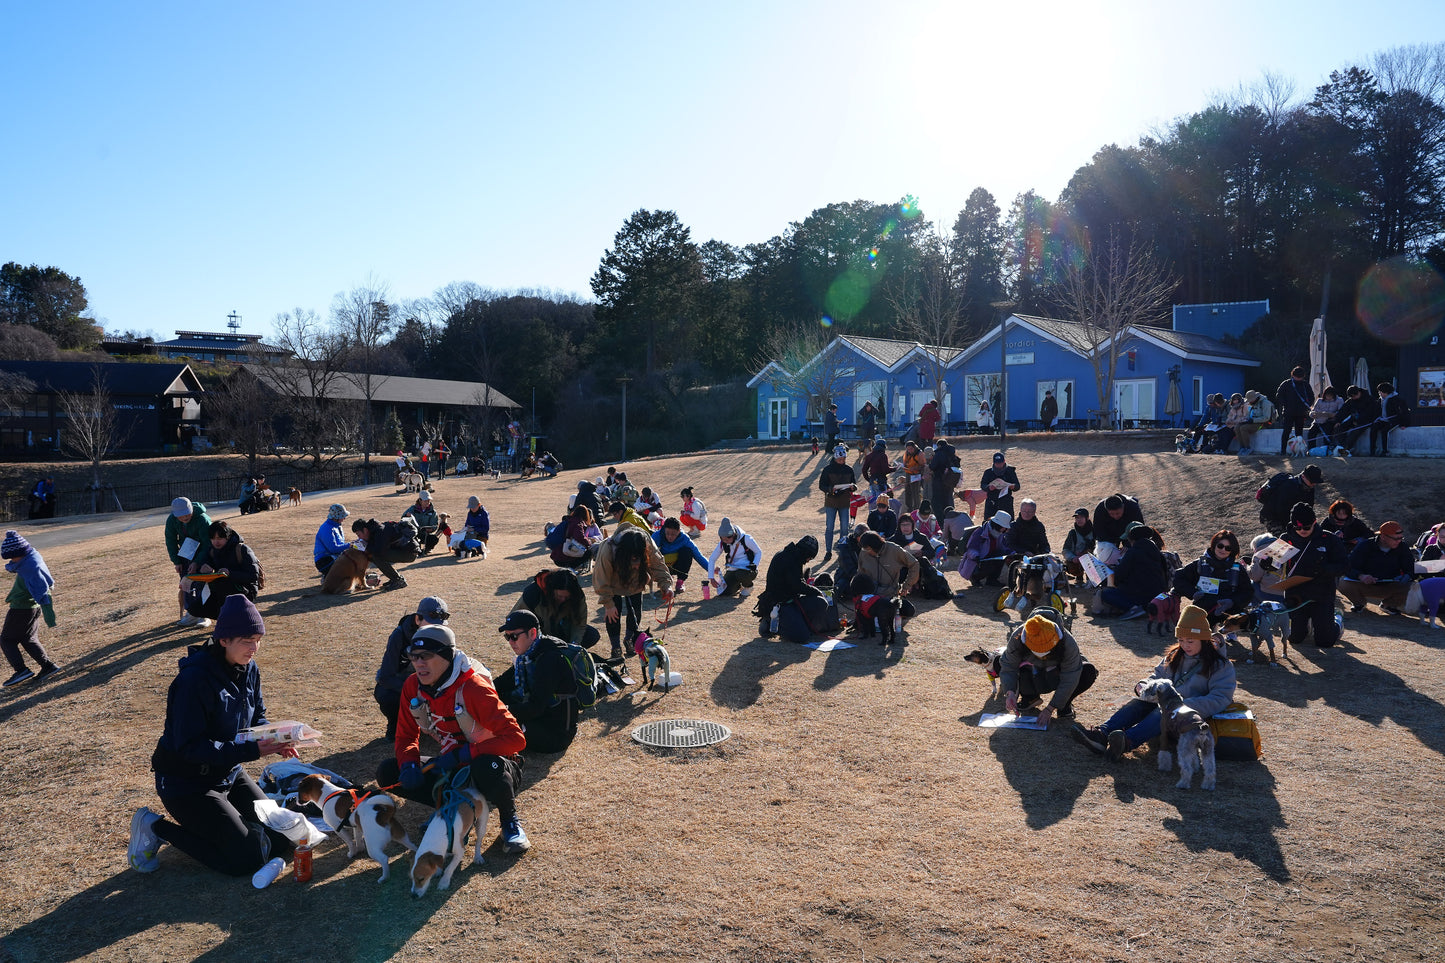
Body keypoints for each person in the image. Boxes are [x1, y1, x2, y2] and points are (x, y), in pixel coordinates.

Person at [128, 596, 300, 878]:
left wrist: (275, 738)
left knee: (284, 837)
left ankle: (233, 829)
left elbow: (256, 717)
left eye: (258, 639)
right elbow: (190, 747)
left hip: (229, 772)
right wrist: (255, 750)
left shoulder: (249, 669)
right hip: (187, 783)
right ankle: (154, 827)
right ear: (223, 640)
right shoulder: (193, 681)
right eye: (247, 640)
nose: (254, 648)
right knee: (246, 860)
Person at [376, 624, 530, 854]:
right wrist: (408, 762)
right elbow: (406, 735)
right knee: (389, 772)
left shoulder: (473, 688)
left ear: (447, 656)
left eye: (426, 656)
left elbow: (516, 739)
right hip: (452, 767)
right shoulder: (413, 686)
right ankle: (450, 807)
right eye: (414, 656)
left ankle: (510, 822)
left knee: (485, 765)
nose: (418, 663)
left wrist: (466, 753)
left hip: (496, 767)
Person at [1070, 603, 1236, 761]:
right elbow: (1156, 676)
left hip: (1190, 719)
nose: (1184, 645)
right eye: (1181, 640)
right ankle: (1101, 735)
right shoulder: (1174, 656)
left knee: (1165, 712)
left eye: (1190, 641)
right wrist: (1143, 685)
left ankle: (1126, 742)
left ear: (1204, 639)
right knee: (1137, 704)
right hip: (1162, 709)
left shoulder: (1220, 665)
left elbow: (1221, 698)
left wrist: (1184, 705)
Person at [493, 610, 580, 755]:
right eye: (507, 637)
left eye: (514, 636)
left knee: (496, 724)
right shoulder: (527, 656)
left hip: (555, 734)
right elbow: (500, 683)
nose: (510, 642)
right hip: (539, 719)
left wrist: (500, 711)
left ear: (533, 633)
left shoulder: (549, 660)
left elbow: (536, 707)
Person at [999, 610, 1097, 726]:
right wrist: (1010, 692)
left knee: (1087, 671)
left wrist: (1050, 708)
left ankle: (1064, 704)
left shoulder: (1068, 642)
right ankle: (1030, 698)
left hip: (1056, 675)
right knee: (1015, 665)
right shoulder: (1018, 637)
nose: (1042, 655)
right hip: (1033, 675)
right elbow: (1009, 666)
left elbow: (1070, 677)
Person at [594, 526, 674, 663]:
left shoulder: (646, 542)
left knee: (636, 611)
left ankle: (629, 639)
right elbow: (601, 578)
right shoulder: (608, 548)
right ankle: (616, 647)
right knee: (613, 614)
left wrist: (666, 586)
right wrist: (608, 603)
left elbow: (658, 564)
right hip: (614, 582)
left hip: (637, 581)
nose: (636, 564)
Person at [374, 596, 450, 741]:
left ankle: (442, 725)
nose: (436, 629)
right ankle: (395, 725)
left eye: (440, 625)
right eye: (430, 623)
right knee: (385, 694)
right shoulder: (399, 636)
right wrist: (415, 690)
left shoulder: (444, 635)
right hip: (409, 684)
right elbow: (385, 676)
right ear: (417, 619)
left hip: (435, 684)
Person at [1278, 502, 1347, 648]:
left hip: (1321, 592)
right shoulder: (1285, 538)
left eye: (1307, 527)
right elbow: (1274, 562)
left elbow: (1344, 566)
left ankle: (1337, 621)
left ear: (1314, 523)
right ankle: (1306, 626)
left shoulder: (1329, 539)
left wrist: (1324, 569)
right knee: (1295, 638)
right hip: (1295, 592)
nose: (1302, 530)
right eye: (1298, 527)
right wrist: (1266, 563)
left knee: (1325, 642)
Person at [0, 531, 60, 687]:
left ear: (20, 553)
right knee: (28, 639)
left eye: (12, 557)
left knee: (6, 640)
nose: (11, 560)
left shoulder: (30, 568)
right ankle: (48, 666)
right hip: (31, 607)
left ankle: (21, 670)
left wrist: (50, 616)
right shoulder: (32, 557)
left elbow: (42, 591)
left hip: (21, 608)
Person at [185, 521, 262, 620]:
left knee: (223, 590)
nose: (216, 542)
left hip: (244, 590)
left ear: (228, 537)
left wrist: (230, 574)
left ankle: (230, 621)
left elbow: (253, 576)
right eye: (212, 538)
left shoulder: (242, 549)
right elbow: (206, 569)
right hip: (220, 589)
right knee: (195, 609)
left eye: (219, 538)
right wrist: (204, 570)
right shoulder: (211, 551)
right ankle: (225, 620)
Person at [1171, 529, 1252, 622]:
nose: (1223, 550)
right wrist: (1193, 593)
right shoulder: (1200, 564)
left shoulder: (1237, 569)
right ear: (1214, 545)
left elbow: (1247, 592)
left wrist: (1232, 602)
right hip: (1202, 613)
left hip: (1228, 616)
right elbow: (1178, 578)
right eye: (1220, 546)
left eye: (1228, 548)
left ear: (1232, 550)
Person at [1339, 521, 1415, 615]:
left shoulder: (1402, 547)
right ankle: (1359, 603)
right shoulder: (1365, 545)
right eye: (1396, 539)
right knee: (1342, 582)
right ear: (1383, 537)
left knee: (1413, 586)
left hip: (1391, 586)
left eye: (1401, 538)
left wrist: (1406, 576)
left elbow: (1411, 568)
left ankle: (1389, 605)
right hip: (1365, 585)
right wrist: (1361, 576)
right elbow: (1347, 567)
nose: (1399, 541)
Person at [753, 535, 824, 636]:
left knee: (819, 603)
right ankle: (772, 624)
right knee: (802, 636)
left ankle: (798, 623)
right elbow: (797, 586)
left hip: (786, 599)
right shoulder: (791, 560)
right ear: (806, 553)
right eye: (810, 557)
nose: (808, 561)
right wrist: (816, 591)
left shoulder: (790, 555)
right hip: (781, 602)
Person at [515, 569, 601, 650]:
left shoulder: (577, 595)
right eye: (559, 596)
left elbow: (579, 624)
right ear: (551, 590)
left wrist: (574, 645)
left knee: (591, 635)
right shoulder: (533, 593)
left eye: (567, 597)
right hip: (537, 636)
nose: (563, 599)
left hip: (561, 629)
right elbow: (514, 622)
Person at [1099, 524, 1168, 619]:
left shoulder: (1133, 553)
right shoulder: (1158, 553)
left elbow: (1118, 576)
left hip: (1138, 595)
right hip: (1157, 597)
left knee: (1106, 593)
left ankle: (1135, 609)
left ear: (1132, 540)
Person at [166, 498, 214, 628]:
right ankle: (192, 613)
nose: (185, 517)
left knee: (202, 582)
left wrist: (198, 562)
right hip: (186, 553)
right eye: (181, 515)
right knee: (185, 582)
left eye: (187, 513)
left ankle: (205, 614)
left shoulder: (203, 519)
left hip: (204, 554)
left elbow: (209, 544)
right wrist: (176, 561)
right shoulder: (171, 520)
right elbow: (170, 540)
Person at [856, 532, 918, 622]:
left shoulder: (894, 549)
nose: (867, 552)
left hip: (890, 595)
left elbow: (914, 564)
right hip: (871, 597)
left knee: (909, 610)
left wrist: (907, 585)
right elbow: (860, 575)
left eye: (868, 549)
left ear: (875, 546)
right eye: (865, 549)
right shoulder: (864, 552)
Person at [818, 444, 857, 563]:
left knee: (844, 528)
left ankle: (842, 551)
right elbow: (821, 485)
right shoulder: (827, 470)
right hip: (831, 502)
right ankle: (828, 551)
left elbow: (854, 484)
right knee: (830, 527)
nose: (842, 461)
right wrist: (830, 489)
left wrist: (852, 487)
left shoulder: (849, 469)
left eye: (844, 459)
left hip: (844, 502)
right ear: (835, 458)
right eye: (840, 459)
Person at [652, 517, 712, 594]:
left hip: (677, 566)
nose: (670, 536)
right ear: (664, 530)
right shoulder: (657, 536)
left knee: (687, 551)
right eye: (667, 533)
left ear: (679, 531)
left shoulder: (684, 538)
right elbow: (646, 554)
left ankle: (680, 582)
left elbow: (698, 556)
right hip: (661, 567)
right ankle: (664, 580)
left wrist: (711, 570)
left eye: (673, 534)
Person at [1258, 464, 1322, 535]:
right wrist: (1292, 527)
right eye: (1312, 481)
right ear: (1303, 476)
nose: (1314, 484)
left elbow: (1309, 508)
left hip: (1287, 516)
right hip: (1272, 516)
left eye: (1315, 481)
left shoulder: (1309, 488)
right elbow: (1281, 510)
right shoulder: (1289, 486)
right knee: (1281, 539)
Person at [351, 517, 413, 590]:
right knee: (373, 556)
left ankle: (398, 580)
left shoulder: (380, 531)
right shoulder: (373, 531)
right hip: (402, 550)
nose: (359, 538)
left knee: (375, 556)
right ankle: (395, 578)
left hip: (409, 552)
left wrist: (365, 547)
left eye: (358, 534)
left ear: (365, 530)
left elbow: (379, 551)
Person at [707, 518, 762, 599]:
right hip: (733, 568)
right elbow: (712, 559)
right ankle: (738, 586)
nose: (725, 541)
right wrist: (711, 578)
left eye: (727, 539)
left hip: (748, 569)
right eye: (723, 539)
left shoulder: (746, 538)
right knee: (724, 592)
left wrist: (755, 564)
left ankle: (749, 587)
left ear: (733, 535)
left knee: (740, 574)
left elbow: (758, 552)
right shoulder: (723, 543)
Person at [959, 511, 1011, 587]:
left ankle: (992, 580)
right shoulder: (980, 532)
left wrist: (1012, 553)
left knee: (1000, 557)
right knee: (987, 564)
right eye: (1003, 527)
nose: (1004, 529)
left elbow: (1004, 547)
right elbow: (971, 549)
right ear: (997, 525)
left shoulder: (999, 534)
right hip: (977, 561)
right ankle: (975, 578)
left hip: (989, 558)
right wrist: (976, 556)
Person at [1091, 493, 1144, 562]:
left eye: (1118, 513)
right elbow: (1098, 531)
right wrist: (1113, 543)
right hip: (1109, 535)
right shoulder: (1100, 509)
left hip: (1129, 534)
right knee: (1105, 553)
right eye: (1111, 514)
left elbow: (1140, 528)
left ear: (1123, 507)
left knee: (1133, 552)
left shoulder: (1132, 507)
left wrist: (1128, 544)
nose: (1115, 516)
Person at [1275, 365, 1316, 454]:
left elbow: (1311, 396)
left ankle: (1299, 451)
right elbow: (1279, 396)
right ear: (1292, 375)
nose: (1298, 379)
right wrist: (1285, 404)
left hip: (1301, 412)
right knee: (1286, 431)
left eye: (1300, 377)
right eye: (1297, 377)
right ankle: (1283, 450)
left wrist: (1307, 406)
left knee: (1299, 433)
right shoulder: (1286, 383)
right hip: (1288, 412)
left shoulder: (1305, 385)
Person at [551, 504, 601, 571]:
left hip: (557, 554)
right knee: (589, 553)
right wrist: (589, 543)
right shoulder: (578, 523)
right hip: (565, 555)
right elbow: (579, 537)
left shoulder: (568, 520)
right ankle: (572, 568)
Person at [1334, 385, 1377, 452]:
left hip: (1366, 421)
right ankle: (1341, 446)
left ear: (1359, 392)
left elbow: (1371, 413)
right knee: (1339, 428)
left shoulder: (1369, 399)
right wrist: (1338, 421)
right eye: (1352, 397)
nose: (1353, 398)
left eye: (1354, 396)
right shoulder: (1351, 401)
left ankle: (1345, 449)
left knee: (1355, 431)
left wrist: (1358, 421)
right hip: (1354, 419)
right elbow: (1343, 411)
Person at [979, 451, 1019, 520]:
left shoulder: (1010, 471)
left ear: (1004, 461)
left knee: (1008, 523)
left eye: (1000, 463)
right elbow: (983, 485)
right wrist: (989, 488)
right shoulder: (988, 472)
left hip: (1006, 502)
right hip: (992, 502)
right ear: (994, 463)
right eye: (997, 463)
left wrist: (1013, 486)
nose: (999, 465)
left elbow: (1017, 486)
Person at [1371, 382, 1408, 456]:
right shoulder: (1380, 400)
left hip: (1394, 420)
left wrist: (1404, 424)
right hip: (1383, 420)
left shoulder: (1396, 400)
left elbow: (1404, 412)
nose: (1379, 393)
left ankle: (1385, 451)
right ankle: (1372, 450)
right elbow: (1377, 412)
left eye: (1380, 391)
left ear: (1386, 392)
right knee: (1373, 428)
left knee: (1384, 431)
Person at [313, 503, 351, 574]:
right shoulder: (326, 528)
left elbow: (340, 546)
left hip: (334, 557)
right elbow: (333, 549)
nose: (344, 518)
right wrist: (350, 545)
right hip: (324, 561)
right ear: (336, 517)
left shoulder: (337, 526)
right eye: (342, 516)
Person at [1061, 508, 1095, 584]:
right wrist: (1073, 558)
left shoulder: (1094, 531)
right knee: (1070, 565)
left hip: (1092, 559)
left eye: (1081, 517)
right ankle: (1079, 578)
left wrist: (1086, 554)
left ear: (1087, 518)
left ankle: (1092, 579)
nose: (1079, 520)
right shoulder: (1072, 533)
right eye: (1077, 518)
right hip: (1077, 559)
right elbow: (1065, 550)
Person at [929, 436, 959, 514]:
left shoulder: (939, 453)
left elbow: (932, 466)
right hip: (951, 479)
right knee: (949, 497)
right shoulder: (953, 453)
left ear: (939, 445)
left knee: (939, 499)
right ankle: (951, 513)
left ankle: (941, 516)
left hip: (939, 479)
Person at [899, 441, 926, 514]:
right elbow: (905, 463)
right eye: (908, 449)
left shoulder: (920, 454)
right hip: (908, 474)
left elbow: (924, 466)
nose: (910, 450)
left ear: (914, 447)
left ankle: (917, 509)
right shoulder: (906, 453)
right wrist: (903, 466)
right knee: (907, 491)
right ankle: (909, 508)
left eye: (911, 449)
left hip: (916, 475)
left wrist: (915, 468)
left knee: (915, 492)